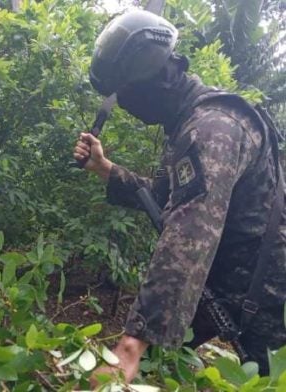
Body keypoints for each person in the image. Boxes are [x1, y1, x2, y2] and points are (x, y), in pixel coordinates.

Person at [73, 9, 286, 382]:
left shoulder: (211, 128)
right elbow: (160, 193)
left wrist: (131, 347)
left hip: (268, 300)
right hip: (233, 291)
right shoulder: (185, 128)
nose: (124, 105)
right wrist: (105, 169)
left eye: (126, 93)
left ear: (158, 79)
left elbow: (188, 237)